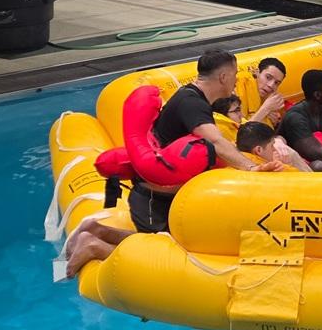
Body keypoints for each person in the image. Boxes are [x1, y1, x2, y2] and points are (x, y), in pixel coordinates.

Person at [66, 50, 271, 277]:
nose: (237, 79)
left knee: (166, 242)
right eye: (234, 74)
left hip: (159, 193)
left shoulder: (190, 97)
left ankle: (96, 230)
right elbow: (215, 141)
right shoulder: (192, 104)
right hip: (154, 198)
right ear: (223, 77)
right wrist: (252, 168)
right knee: (160, 257)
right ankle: (94, 246)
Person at [236, 121, 311, 171]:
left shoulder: (234, 161)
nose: (276, 148)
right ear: (259, 150)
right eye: (272, 145)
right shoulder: (275, 168)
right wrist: (287, 165)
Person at [235, 57, 290, 126]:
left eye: (276, 83)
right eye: (268, 77)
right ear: (257, 72)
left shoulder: (271, 100)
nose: (271, 85)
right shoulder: (240, 85)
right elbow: (241, 130)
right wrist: (265, 109)